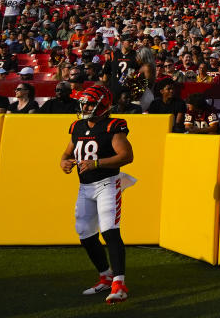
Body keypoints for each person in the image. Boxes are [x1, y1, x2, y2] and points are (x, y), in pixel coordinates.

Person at [60, 85, 133, 304]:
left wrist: (97, 163)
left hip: (107, 184)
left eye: (90, 104)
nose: (85, 107)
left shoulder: (113, 126)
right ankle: (105, 275)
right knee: (84, 232)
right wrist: (64, 161)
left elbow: (126, 156)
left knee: (110, 231)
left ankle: (119, 284)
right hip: (85, 187)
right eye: (84, 103)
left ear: (103, 106)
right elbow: (67, 151)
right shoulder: (78, 126)